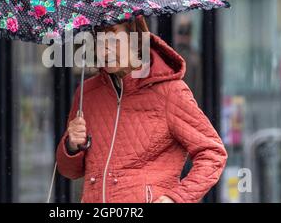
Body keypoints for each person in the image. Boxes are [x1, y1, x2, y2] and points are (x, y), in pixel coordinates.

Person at [56, 16, 228, 203]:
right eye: (98, 39)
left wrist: (176, 198)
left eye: (113, 38)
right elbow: (69, 171)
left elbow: (212, 153)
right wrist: (71, 146)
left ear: (136, 39)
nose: (104, 48)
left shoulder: (169, 91)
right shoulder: (87, 93)